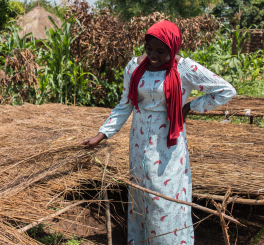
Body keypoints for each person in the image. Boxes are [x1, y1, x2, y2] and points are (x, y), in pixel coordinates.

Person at [79, 20, 236, 245]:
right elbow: (125, 105)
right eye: (149, 48)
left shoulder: (185, 69)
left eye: (161, 51)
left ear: (173, 48)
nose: (153, 55)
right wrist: (101, 134)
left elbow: (226, 90)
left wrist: (189, 106)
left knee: (165, 198)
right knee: (141, 194)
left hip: (168, 145)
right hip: (139, 142)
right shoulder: (134, 66)